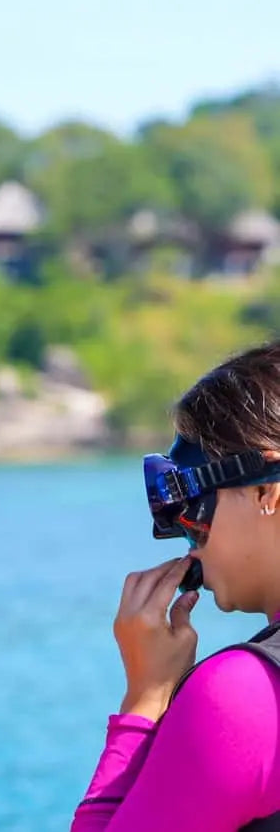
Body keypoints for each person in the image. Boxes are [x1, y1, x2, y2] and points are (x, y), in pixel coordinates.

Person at [72, 339, 280, 831]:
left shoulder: (246, 695)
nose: (181, 533)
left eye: (192, 504)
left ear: (265, 490)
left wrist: (145, 701)